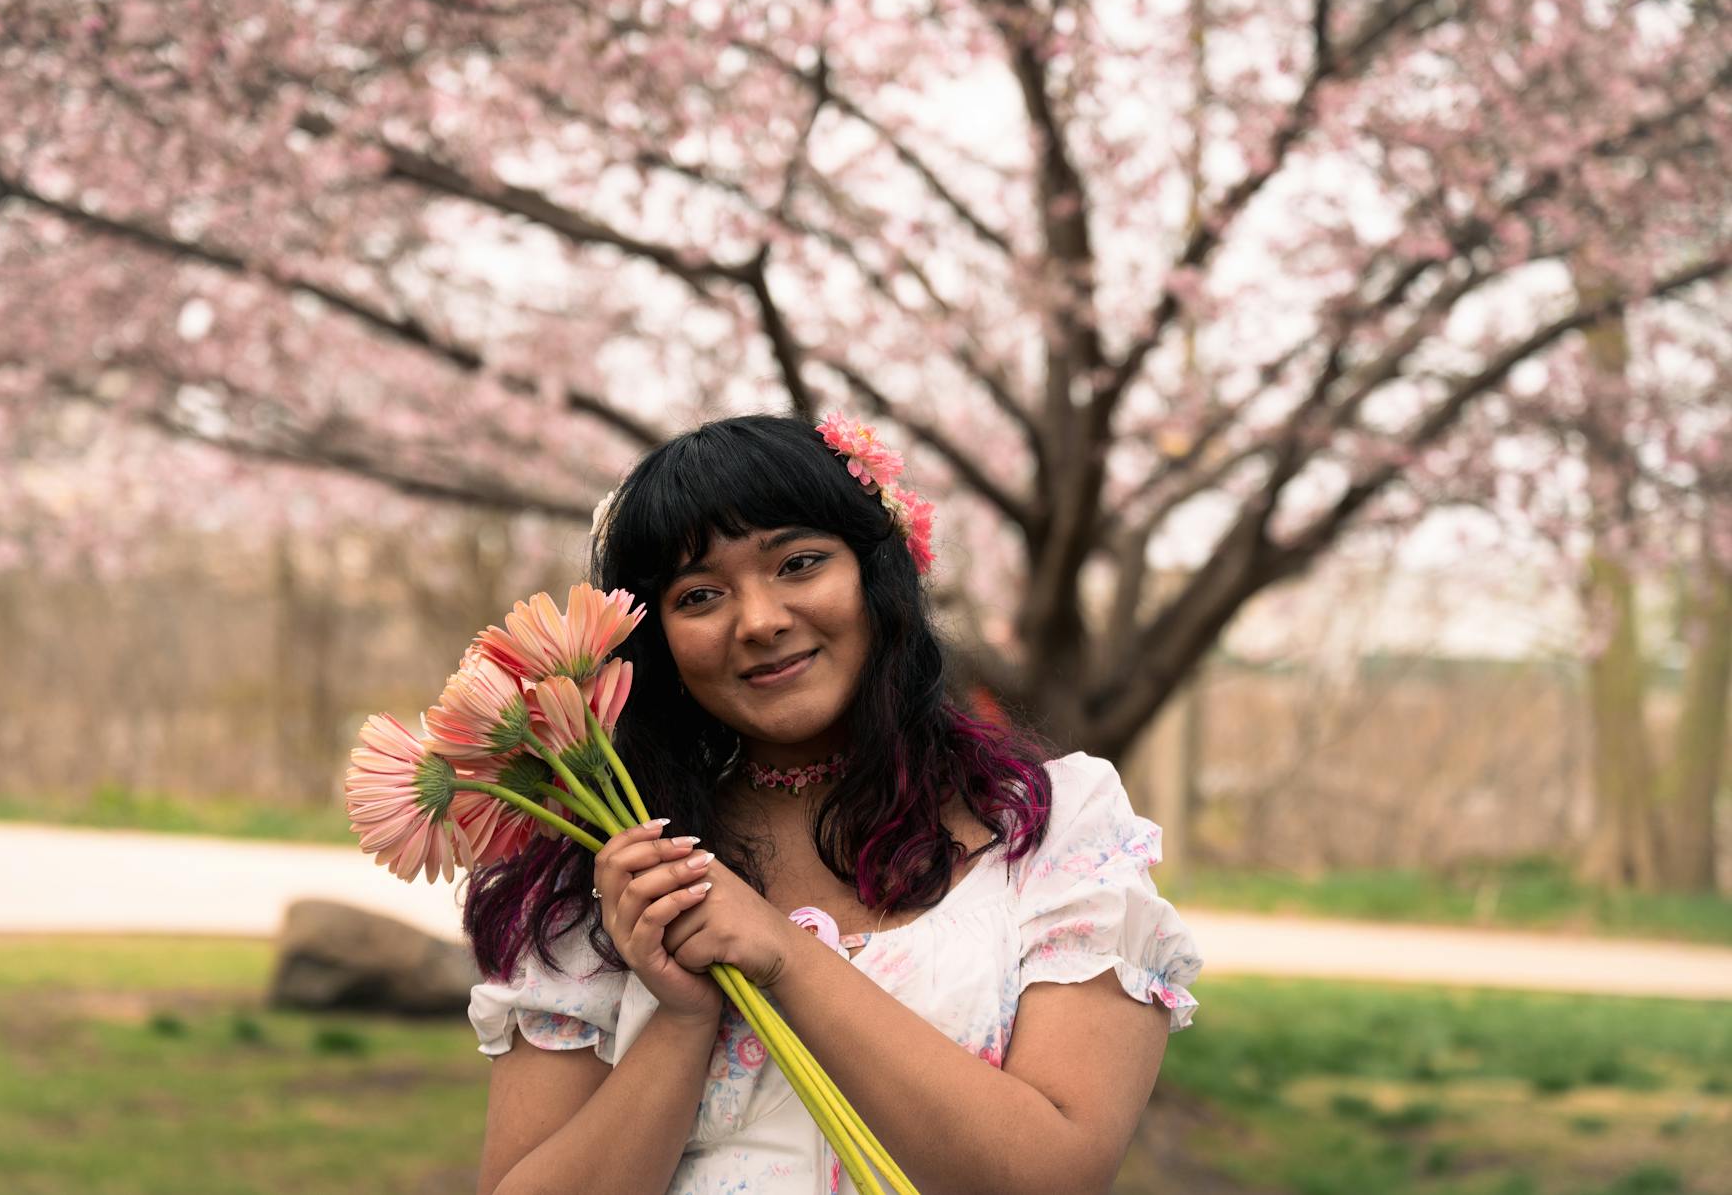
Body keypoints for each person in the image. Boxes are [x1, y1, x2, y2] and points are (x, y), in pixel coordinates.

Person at [464, 412, 1203, 1195]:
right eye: (700, 595)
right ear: (656, 642)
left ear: (876, 573)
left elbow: (1053, 1176)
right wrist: (681, 1020)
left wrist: (781, 955)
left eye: (799, 562)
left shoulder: (1053, 829)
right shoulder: (614, 872)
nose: (760, 621)